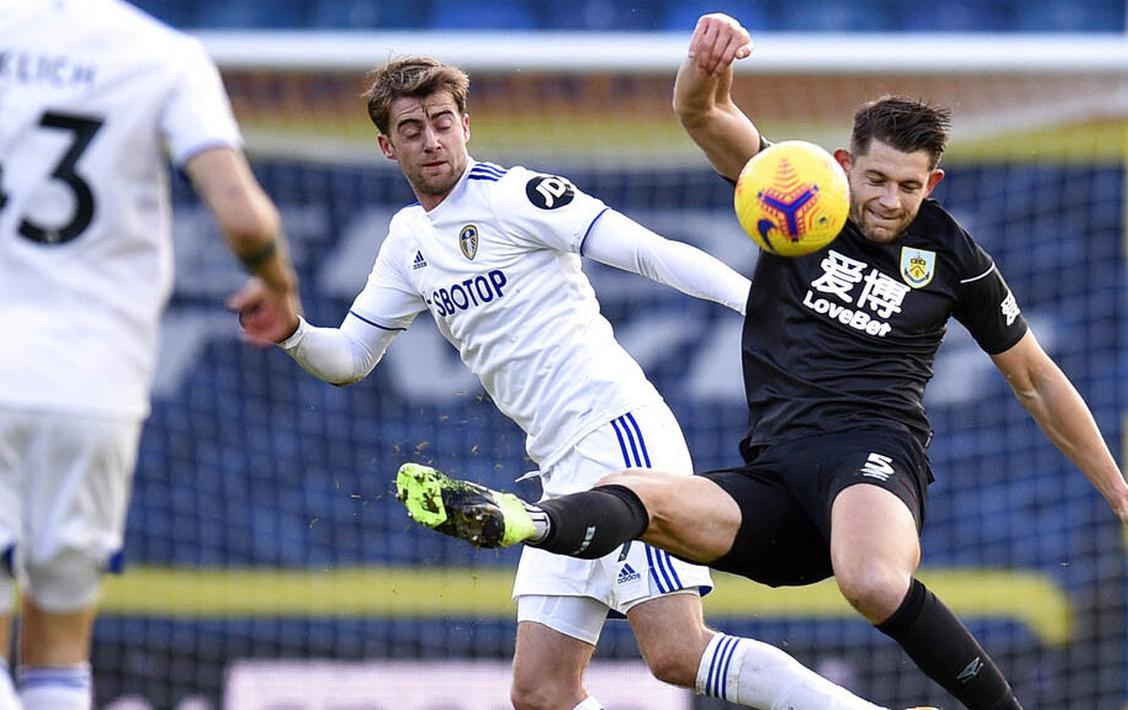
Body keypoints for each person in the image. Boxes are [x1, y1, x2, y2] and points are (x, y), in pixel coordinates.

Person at [395, 13, 1128, 710]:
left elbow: (1034, 379)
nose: (887, 200)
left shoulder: (954, 257)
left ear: (933, 182)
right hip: (775, 476)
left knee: (873, 582)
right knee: (632, 494)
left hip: (873, 454)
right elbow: (702, 112)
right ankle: (523, 521)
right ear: (843, 165)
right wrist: (706, 61)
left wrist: (1120, 493)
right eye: (875, 178)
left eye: (908, 187)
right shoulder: (798, 195)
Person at [244, 54, 908, 710]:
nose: (432, 140)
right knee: (541, 692)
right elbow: (348, 359)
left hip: (618, 435)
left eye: (442, 121)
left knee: (677, 652)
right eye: (412, 129)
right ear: (388, 147)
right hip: (559, 469)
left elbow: (650, 251)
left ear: (465, 124)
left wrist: (761, 307)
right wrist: (292, 330)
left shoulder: (514, 195)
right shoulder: (406, 243)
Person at [0, 1, 301, 709]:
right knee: (60, 640)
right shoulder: (162, 54)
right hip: (95, 383)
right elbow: (244, 215)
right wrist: (277, 281)